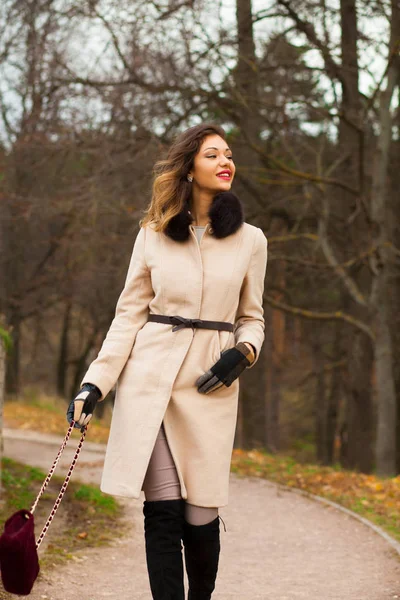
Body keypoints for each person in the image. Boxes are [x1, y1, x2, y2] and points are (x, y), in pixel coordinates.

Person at [67, 122, 268, 599]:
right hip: (148, 380)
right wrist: (94, 384)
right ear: (189, 168)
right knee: (162, 512)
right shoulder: (152, 235)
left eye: (229, 155)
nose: (226, 163)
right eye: (213, 155)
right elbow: (127, 318)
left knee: (201, 516)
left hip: (209, 387)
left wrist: (243, 352)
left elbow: (252, 317)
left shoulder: (251, 240)